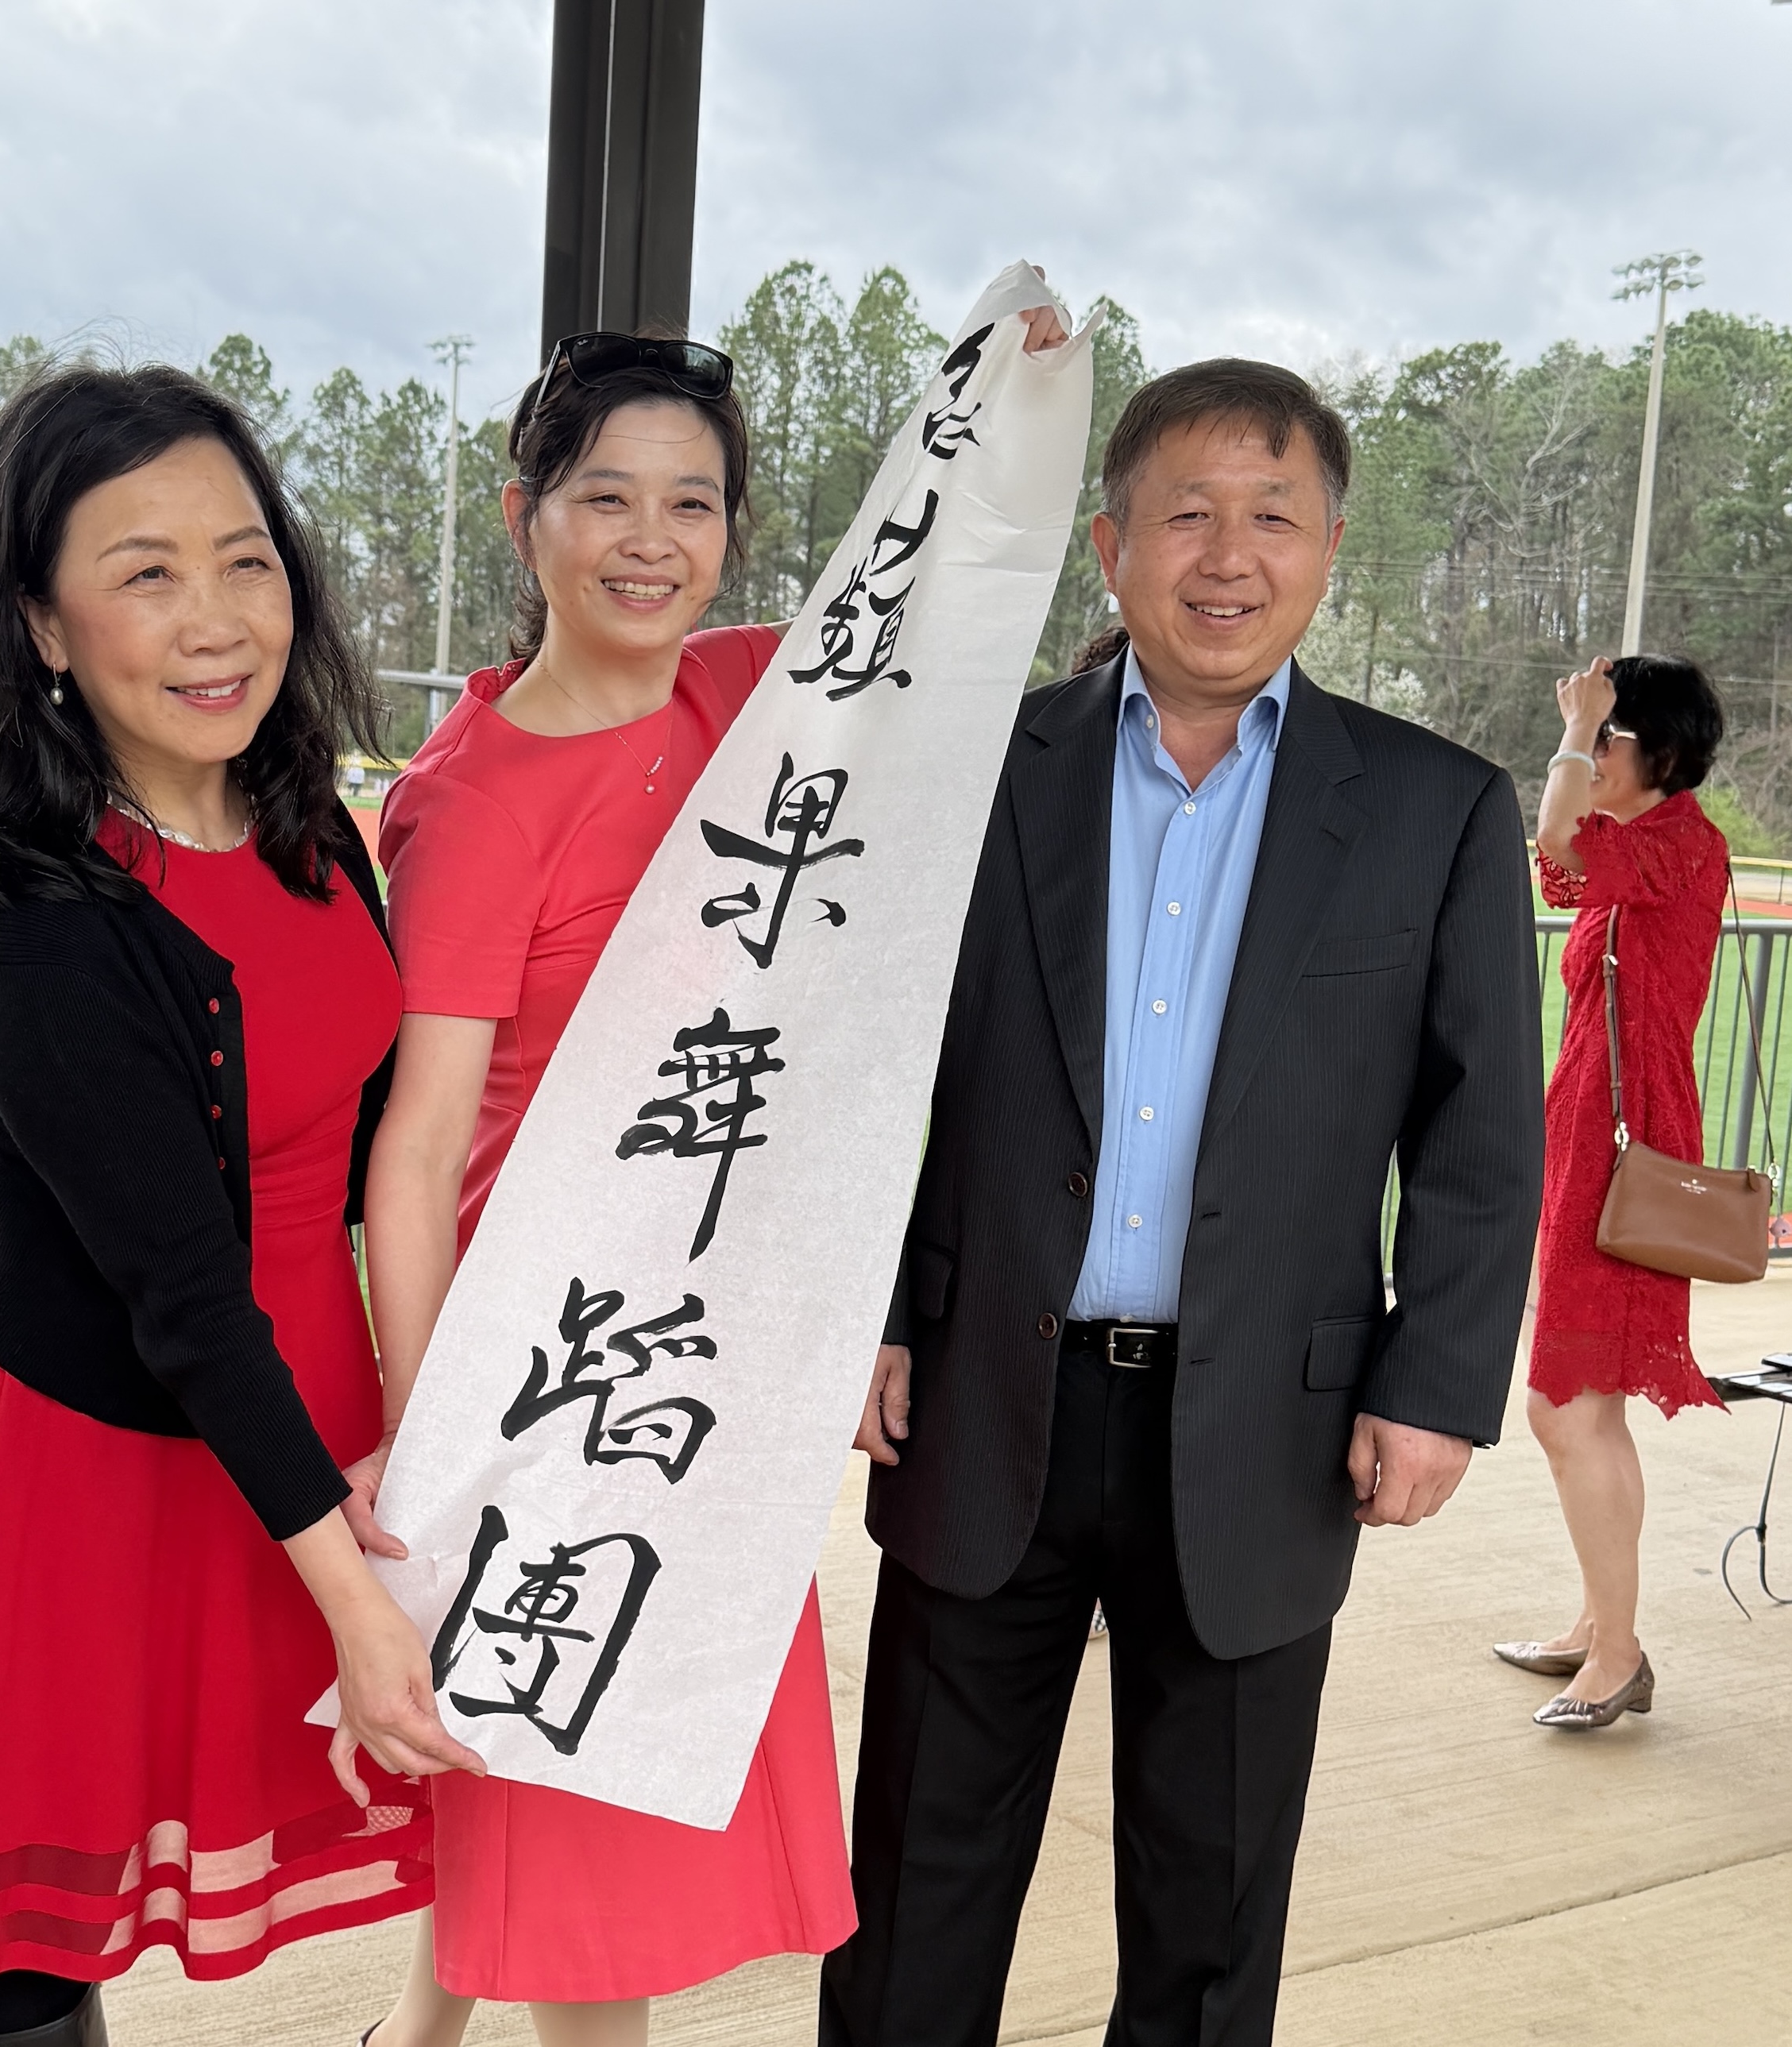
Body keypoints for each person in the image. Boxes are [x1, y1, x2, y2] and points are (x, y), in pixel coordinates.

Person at [348, 307, 1062, 2047]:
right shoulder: (476, 798)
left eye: (693, 502)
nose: (650, 540)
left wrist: (1002, 382)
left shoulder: (749, 695)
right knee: (583, 1806)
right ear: (525, 516)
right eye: (605, 496)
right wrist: (433, 1441)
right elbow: (417, 1149)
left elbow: (931, 590)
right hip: (551, 1359)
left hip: (695, 1336)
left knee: (547, 1763)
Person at [819, 360, 1545, 2047]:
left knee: (1207, 1920)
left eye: (1271, 516)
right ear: (1110, 545)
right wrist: (863, 1306)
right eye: (1186, 514)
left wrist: (1433, 1385)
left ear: (1329, 549)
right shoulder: (979, 770)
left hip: (1266, 1430)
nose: (1227, 556)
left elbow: (1477, 1133)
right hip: (981, 1396)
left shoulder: (1433, 807)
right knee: (916, 1887)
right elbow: (863, 1060)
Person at [0, 364, 480, 2046]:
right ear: (40, 623)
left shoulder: (307, 822)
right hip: (65, 1432)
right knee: (20, 1891)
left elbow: (370, 1140)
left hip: (268, 1406)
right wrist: (356, 1601)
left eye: (245, 560)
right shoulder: (35, 903)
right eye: (145, 572)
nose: (215, 618)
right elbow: (181, 1288)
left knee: (0, 1865)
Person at [1495, 652, 1730, 1728]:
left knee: (1562, 1407)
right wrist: (1588, 734)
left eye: (1608, 739)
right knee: (1588, 1409)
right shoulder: (1636, 848)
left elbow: (1553, 837)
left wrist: (1567, 731)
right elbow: (1556, 854)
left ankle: (1620, 1649)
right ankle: (1601, 1627)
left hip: (1626, 1150)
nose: (1591, 756)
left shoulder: (1681, 844)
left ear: (1660, 753)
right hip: (1588, 1134)